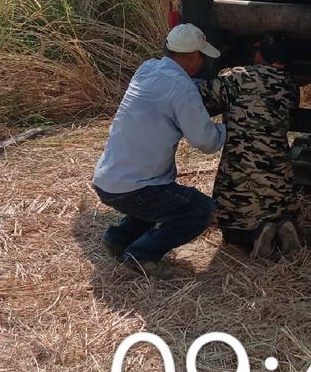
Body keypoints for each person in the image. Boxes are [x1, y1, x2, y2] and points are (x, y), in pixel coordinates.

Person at [93, 24, 225, 279]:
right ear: (193, 57)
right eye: (202, 56)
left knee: (162, 200)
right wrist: (231, 128)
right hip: (136, 189)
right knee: (200, 210)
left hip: (107, 181)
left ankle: (118, 237)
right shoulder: (182, 89)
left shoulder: (147, 68)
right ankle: (142, 254)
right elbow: (206, 142)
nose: (203, 61)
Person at [198, 34, 302, 258]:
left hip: (241, 168)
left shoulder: (238, 77)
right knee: (279, 206)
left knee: (230, 223)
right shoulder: (291, 87)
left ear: (258, 56)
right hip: (279, 173)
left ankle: (255, 235)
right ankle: (284, 223)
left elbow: (203, 96)